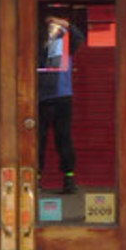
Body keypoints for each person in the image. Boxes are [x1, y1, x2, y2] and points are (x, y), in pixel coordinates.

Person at [37, 13, 85, 194]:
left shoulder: (65, 45)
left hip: (62, 96)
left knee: (63, 138)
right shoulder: (38, 46)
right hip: (42, 97)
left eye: (55, 28)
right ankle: (36, 177)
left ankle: (69, 177)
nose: (52, 30)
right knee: (38, 140)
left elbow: (79, 37)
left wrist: (63, 23)